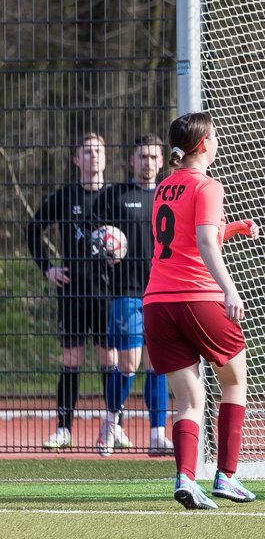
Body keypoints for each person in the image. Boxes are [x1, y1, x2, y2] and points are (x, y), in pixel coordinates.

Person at [144, 112, 259, 509]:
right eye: (215, 135)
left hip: (158, 304)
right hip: (198, 297)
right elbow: (205, 246)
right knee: (234, 381)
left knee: (189, 399)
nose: (218, 139)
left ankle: (186, 478)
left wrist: (233, 229)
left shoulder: (164, 186)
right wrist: (229, 289)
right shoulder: (209, 185)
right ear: (205, 143)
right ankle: (226, 476)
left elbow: (185, 240)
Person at [26, 132, 115, 451]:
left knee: (110, 361)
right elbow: (33, 230)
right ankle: (64, 428)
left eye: (99, 151)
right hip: (72, 294)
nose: (95, 156)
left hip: (108, 295)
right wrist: (47, 268)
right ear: (77, 159)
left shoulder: (116, 196)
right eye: (88, 151)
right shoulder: (64, 197)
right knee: (71, 361)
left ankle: (112, 425)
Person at [92, 133, 174, 456]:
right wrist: (103, 244)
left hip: (161, 290)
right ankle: (111, 422)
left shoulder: (168, 194)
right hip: (125, 291)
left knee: (158, 364)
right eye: (143, 157)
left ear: (161, 162)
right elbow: (92, 234)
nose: (149, 163)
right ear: (132, 160)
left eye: (155, 158)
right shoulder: (114, 195)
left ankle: (157, 435)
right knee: (129, 363)